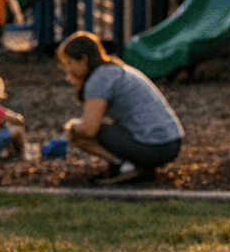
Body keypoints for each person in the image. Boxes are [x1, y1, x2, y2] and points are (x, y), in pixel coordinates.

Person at [57, 30, 184, 183]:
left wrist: (72, 127)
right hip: (171, 141)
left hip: (157, 147)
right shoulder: (114, 69)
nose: (68, 71)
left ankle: (124, 165)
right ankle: (136, 165)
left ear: (84, 59)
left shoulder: (99, 78)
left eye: (70, 63)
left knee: (78, 132)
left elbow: (89, 129)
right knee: (98, 125)